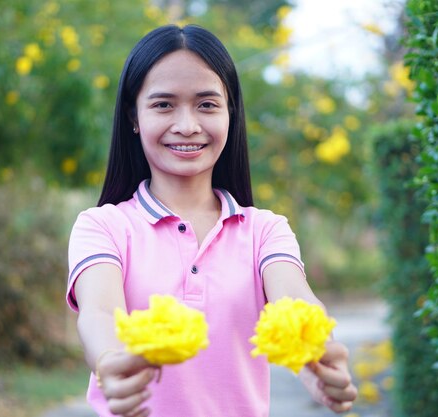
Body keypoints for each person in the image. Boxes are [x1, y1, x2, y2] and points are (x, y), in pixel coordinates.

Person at [67, 24, 358, 417]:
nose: (187, 125)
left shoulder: (265, 230)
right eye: (163, 105)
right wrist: (110, 361)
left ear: (230, 113)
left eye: (206, 104)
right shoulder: (102, 227)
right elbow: (99, 313)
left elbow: (296, 299)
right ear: (133, 117)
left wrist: (315, 352)